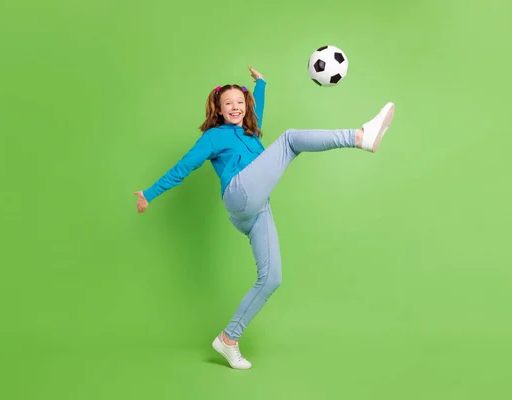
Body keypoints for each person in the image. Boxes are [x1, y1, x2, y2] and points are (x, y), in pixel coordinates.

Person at [134, 66, 395, 370]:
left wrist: (260, 86)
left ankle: (228, 339)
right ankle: (360, 136)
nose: (235, 107)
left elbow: (257, 109)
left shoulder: (251, 134)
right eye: (228, 103)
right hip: (238, 193)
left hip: (254, 210)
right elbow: (183, 167)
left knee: (271, 278)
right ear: (218, 109)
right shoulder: (213, 137)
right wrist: (149, 194)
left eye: (240, 103)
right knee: (289, 140)